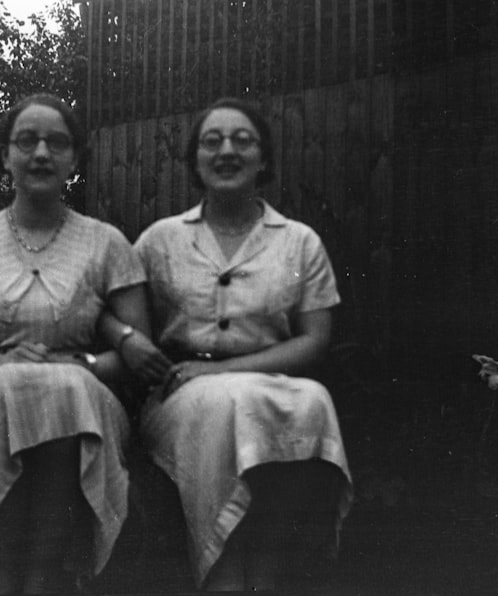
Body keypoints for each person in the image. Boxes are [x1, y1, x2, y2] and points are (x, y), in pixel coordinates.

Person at [112, 97, 353, 591]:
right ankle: (221, 576)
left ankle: (264, 576)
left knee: (314, 400)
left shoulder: (298, 242)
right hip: (180, 393)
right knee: (228, 406)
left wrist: (222, 372)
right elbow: (108, 312)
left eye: (242, 140)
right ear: (196, 162)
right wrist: (127, 340)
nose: (227, 151)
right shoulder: (160, 240)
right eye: (212, 141)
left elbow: (315, 339)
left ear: (263, 159)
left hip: (272, 385)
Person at [0, 93, 151, 595]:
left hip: (84, 403)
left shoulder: (107, 243)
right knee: (13, 386)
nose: (41, 153)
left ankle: (38, 576)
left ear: (74, 158)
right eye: (26, 141)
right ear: (5, 155)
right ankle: (6, 576)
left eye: (57, 142)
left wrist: (86, 363)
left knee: (62, 387)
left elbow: (136, 350)